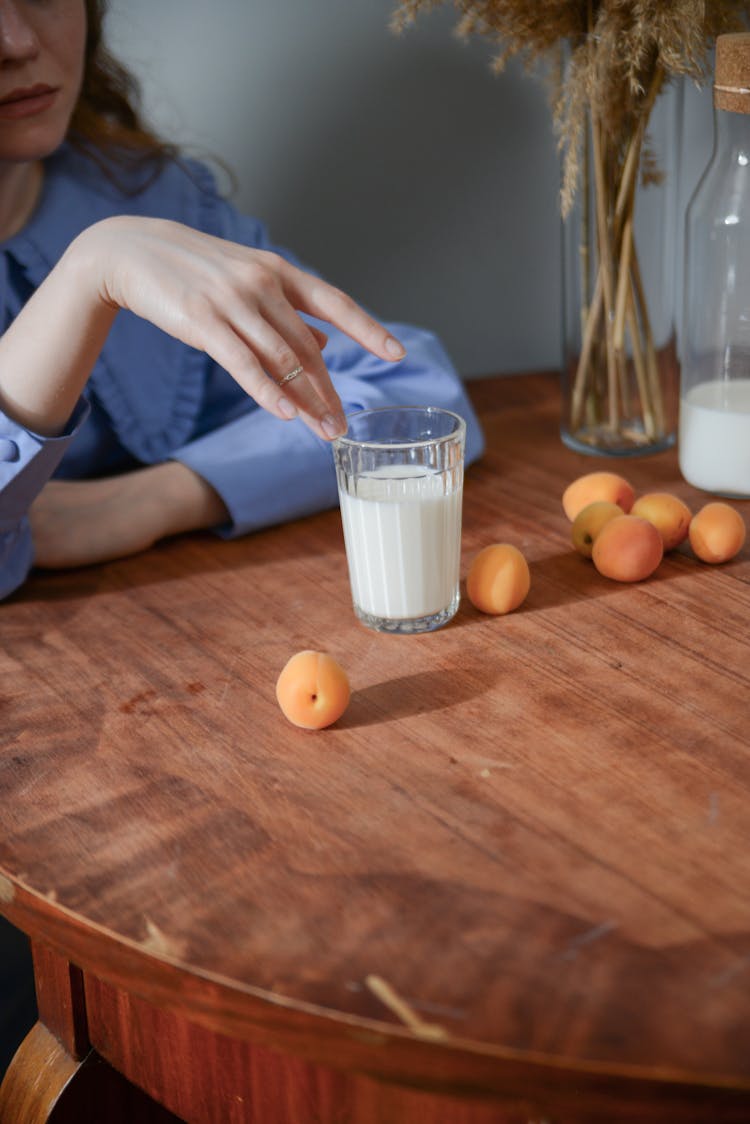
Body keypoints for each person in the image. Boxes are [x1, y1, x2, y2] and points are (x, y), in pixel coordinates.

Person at [0, 0, 484, 602]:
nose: (16, 41)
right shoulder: (120, 240)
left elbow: (414, 388)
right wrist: (86, 277)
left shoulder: (145, 198)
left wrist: (155, 499)